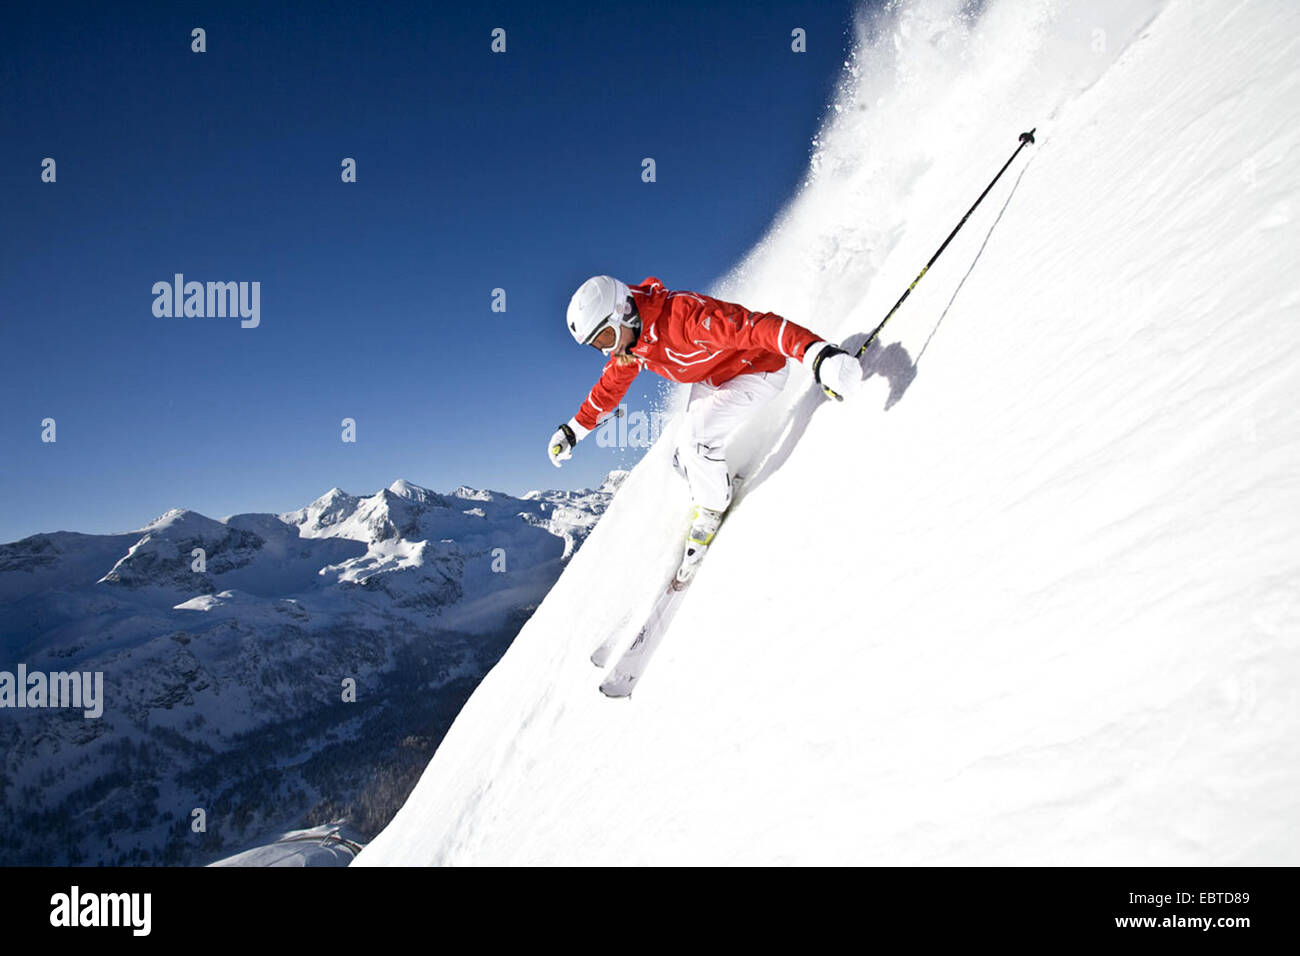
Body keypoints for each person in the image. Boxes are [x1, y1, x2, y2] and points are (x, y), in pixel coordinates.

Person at [548, 275, 862, 579]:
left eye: (606, 338)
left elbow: (756, 327)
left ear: (624, 311)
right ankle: (711, 476)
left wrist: (817, 354)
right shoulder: (634, 343)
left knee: (694, 442)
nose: (607, 350)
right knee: (683, 458)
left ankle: (712, 506)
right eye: (597, 345)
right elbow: (610, 387)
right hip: (714, 380)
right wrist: (574, 430)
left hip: (759, 370)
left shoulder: (685, 319)